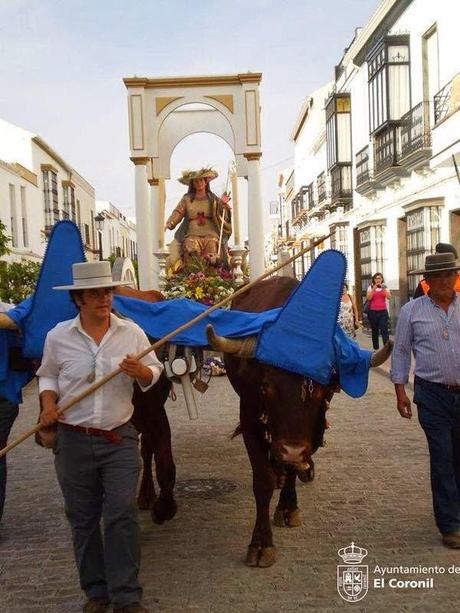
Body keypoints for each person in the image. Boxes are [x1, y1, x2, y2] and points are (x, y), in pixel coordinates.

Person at [37, 261, 163, 613]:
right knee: (82, 517)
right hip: (73, 441)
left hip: (118, 439)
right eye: (94, 294)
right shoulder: (57, 337)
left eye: (107, 292)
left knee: (122, 512)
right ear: (78, 299)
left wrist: (142, 371)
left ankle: (126, 595)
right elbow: (47, 376)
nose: (103, 299)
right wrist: (48, 403)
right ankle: (96, 591)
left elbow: (154, 370)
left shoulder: (132, 333)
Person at [390, 252, 460, 549]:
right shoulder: (411, 310)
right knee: (443, 458)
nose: (445, 281)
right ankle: (450, 525)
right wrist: (400, 391)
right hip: (432, 395)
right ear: (427, 281)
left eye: (450, 275)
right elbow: (402, 350)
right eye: (439, 276)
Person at [165, 167, 231, 271]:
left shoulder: (213, 198)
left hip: (211, 234)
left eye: (201, 180)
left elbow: (222, 214)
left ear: (206, 182)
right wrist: (170, 223)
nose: (199, 183)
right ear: (193, 184)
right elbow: (178, 212)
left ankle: (212, 276)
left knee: (212, 244)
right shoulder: (186, 199)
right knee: (190, 245)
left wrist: (223, 206)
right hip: (192, 234)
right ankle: (193, 276)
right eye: (196, 181)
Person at [366, 272, 391, 349]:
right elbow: (369, 298)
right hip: (373, 312)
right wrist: (374, 289)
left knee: (384, 330)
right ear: (374, 279)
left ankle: (386, 349)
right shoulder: (370, 287)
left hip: (383, 312)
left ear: (382, 279)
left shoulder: (385, 287)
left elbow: (389, 297)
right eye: (376, 278)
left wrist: (383, 289)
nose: (378, 280)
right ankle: (376, 349)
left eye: (379, 278)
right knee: (375, 331)